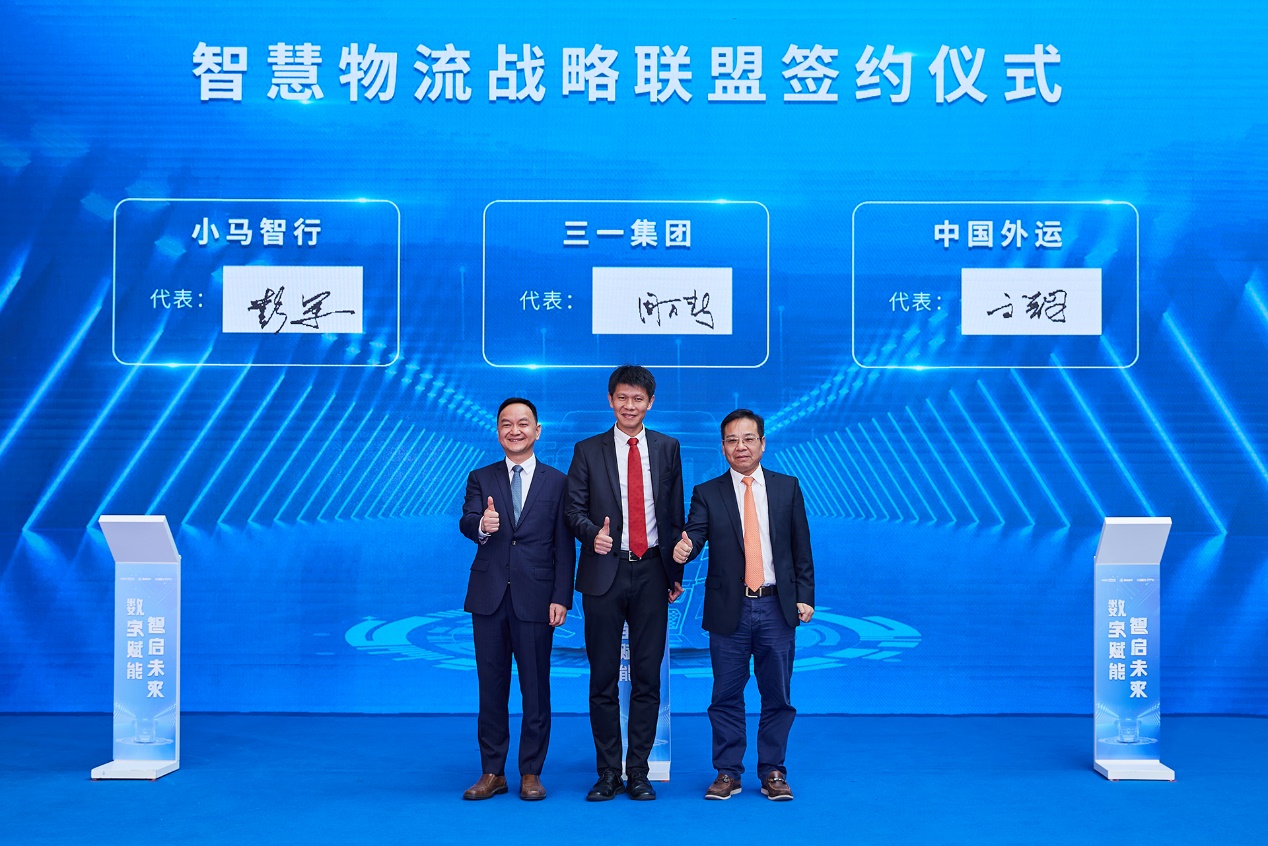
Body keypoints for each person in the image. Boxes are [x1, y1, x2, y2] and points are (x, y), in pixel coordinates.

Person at [673, 408, 815, 801]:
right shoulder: (707, 492)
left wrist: (805, 595)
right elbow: (695, 535)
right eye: (732, 440)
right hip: (729, 610)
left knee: (778, 696)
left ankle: (773, 771)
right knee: (725, 696)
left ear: (762, 443)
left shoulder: (787, 488)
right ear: (723, 447)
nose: (741, 447)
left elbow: (801, 547)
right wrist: (685, 549)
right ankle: (727, 772)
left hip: (776, 607)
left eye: (749, 438)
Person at [566, 365, 684, 801]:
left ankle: (638, 772)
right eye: (622, 398)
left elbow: (674, 515)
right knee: (602, 678)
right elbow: (572, 509)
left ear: (650, 403)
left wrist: (674, 574)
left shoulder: (667, 447)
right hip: (604, 571)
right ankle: (607, 772)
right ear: (610, 400)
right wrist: (590, 534)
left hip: (652, 571)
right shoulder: (587, 450)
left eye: (637, 399)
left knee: (647, 678)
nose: (629, 406)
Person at [458, 397, 575, 801]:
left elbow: (564, 547)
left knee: (535, 688)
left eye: (523, 423)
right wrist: (482, 525)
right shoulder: (481, 477)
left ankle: (531, 772)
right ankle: (492, 771)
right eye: (506, 424)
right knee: (491, 687)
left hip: (537, 599)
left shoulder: (558, 482)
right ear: (497, 432)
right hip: (488, 598)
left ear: (537, 431)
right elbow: (467, 520)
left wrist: (561, 597)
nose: (515, 430)